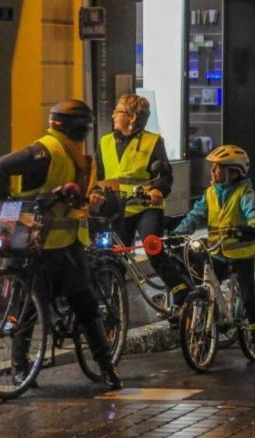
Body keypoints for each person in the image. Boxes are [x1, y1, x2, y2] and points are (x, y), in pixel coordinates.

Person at [0, 99, 122, 390]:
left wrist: (95, 194)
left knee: (53, 307)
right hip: (38, 245)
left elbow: (90, 185)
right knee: (39, 307)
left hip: (65, 244)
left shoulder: (77, 155)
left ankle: (26, 370)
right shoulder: (44, 152)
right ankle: (25, 368)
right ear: (76, 128)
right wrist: (9, 206)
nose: (86, 133)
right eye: (84, 128)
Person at [89, 94, 192, 314]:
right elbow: (97, 175)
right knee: (110, 255)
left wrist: (157, 190)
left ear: (133, 117)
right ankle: (111, 307)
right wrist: (95, 193)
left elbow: (165, 174)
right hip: (117, 206)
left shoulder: (153, 141)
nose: (114, 115)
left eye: (119, 111)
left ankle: (182, 294)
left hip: (146, 205)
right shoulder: (105, 142)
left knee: (152, 247)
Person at [171, 145, 255, 362]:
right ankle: (211, 319)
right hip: (217, 252)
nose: (213, 172)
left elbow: (253, 211)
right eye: (212, 168)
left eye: (218, 169)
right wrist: (178, 233)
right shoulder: (210, 193)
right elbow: (195, 215)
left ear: (234, 172)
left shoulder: (244, 192)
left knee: (247, 296)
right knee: (204, 286)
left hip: (241, 254)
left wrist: (252, 226)